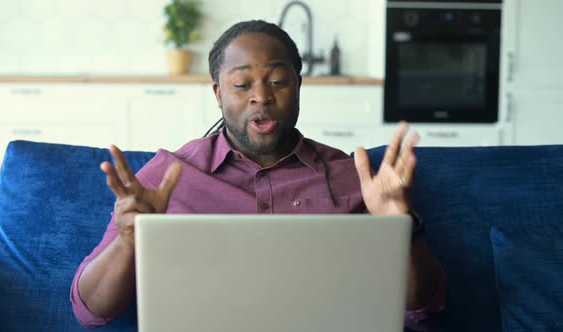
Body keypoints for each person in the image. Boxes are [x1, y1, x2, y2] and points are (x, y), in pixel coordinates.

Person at [70, 20, 446, 331]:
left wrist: (403, 227)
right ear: (218, 94)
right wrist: (128, 241)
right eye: (242, 84)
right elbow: (89, 311)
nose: (261, 97)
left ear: (299, 87)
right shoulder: (167, 175)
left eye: (278, 81)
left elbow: (423, 313)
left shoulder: (352, 177)